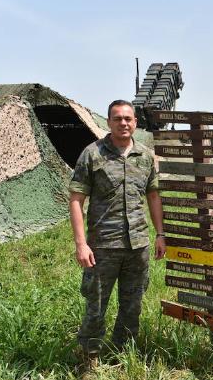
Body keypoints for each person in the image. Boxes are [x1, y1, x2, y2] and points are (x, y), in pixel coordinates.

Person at [68, 100, 166, 367]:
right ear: (109, 122)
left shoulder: (145, 156)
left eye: (128, 119)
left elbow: (153, 196)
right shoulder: (93, 154)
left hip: (138, 246)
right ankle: (90, 359)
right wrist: (81, 244)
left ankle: (124, 354)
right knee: (96, 306)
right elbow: (76, 200)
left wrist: (160, 234)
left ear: (135, 122)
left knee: (132, 304)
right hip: (102, 247)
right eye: (117, 118)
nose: (123, 123)